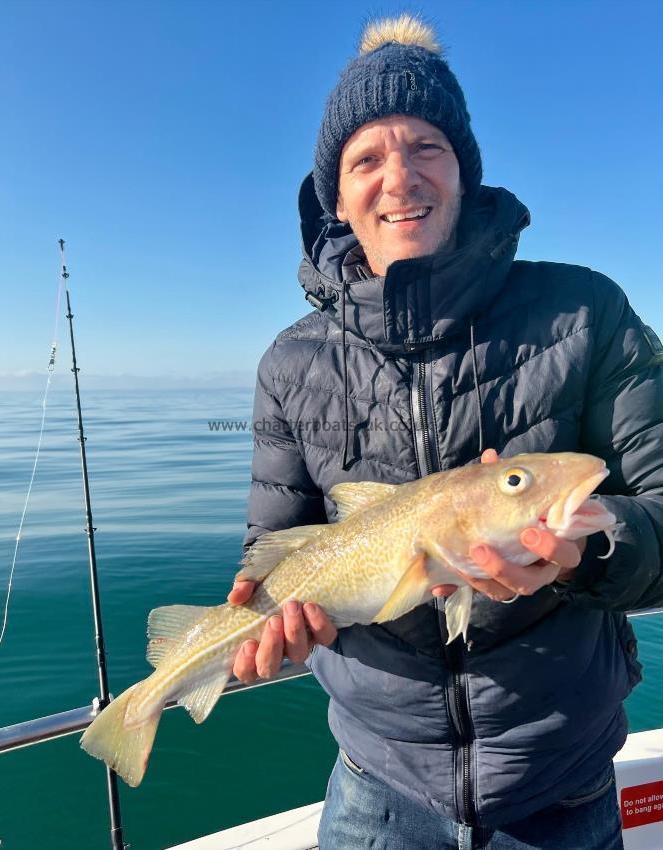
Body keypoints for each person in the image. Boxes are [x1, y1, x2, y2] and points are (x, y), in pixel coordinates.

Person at [227, 14, 663, 850]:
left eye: (426, 145)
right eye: (366, 159)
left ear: (464, 169)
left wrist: (584, 554)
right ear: (336, 195)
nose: (399, 179)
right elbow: (272, 549)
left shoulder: (587, 312)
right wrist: (271, 629)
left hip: (561, 790)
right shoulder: (290, 363)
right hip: (374, 793)